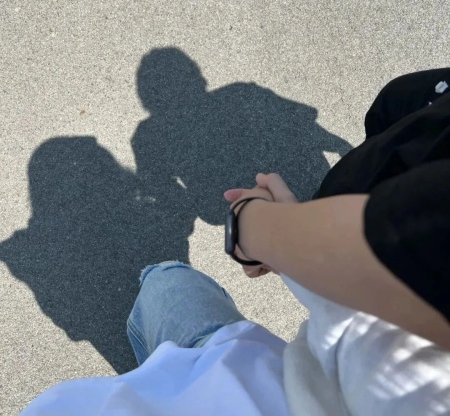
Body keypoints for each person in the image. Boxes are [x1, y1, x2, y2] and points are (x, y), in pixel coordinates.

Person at [22, 70, 450, 415]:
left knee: (164, 280)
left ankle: (162, 367)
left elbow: (372, 265)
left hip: (257, 386)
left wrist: (248, 224)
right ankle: (163, 369)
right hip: (290, 374)